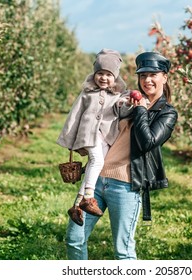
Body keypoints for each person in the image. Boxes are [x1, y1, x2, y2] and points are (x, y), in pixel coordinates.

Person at [65, 51, 178, 260]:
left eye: (153, 75)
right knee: (74, 238)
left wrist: (141, 110)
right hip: (98, 180)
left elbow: (148, 142)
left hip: (125, 185)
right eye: (143, 75)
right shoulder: (127, 99)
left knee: (123, 251)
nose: (147, 80)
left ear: (165, 77)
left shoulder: (166, 113)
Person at [57, 49, 131, 226]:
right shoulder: (87, 93)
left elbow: (122, 111)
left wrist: (128, 104)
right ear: (94, 74)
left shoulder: (117, 96)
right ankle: (89, 197)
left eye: (108, 74)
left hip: (106, 137)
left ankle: (77, 206)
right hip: (88, 135)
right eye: (100, 73)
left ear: (115, 77)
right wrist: (69, 139)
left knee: (94, 164)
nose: (104, 78)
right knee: (97, 161)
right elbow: (74, 115)